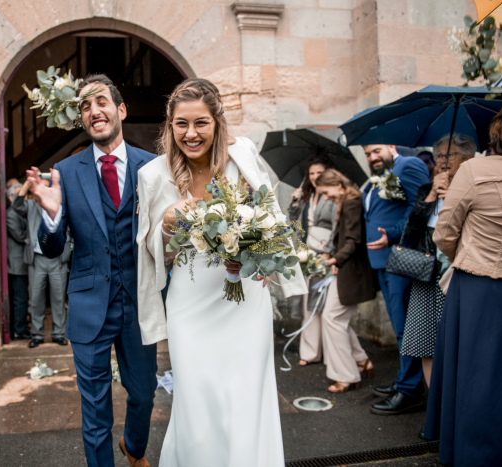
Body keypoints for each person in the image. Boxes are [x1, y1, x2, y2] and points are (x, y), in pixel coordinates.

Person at [137, 78, 307, 466]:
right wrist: (166, 222)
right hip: (190, 301)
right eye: (181, 124)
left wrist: (252, 252)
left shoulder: (242, 156)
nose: (191, 134)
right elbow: (153, 256)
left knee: (245, 394)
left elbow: (270, 220)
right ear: (169, 125)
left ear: (217, 123)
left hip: (244, 297)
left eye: (201, 123)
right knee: (196, 396)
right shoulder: (152, 175)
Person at [27, 74, 158, 467]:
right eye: (84, 106)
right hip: (88, 305)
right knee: (96, 408)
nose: (93, 111)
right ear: (81, 119)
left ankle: (133, 449)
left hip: (139, 303)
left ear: (120, 110)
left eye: (100, 102)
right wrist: (51, 218)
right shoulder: (65, 171)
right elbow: (52, 249)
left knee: (144, 393)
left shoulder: (152, 167)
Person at [423, 114, 502, 466]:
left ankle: (473, 453)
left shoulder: (474, 171)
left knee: (475, 371)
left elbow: (443, 233)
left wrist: (464, 255)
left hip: (477, 284)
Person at [401, 134, 475, 391]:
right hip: (426, 273)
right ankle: (435, 410)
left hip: (457, 274)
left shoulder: (472, 188)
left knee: (457, 344)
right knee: (425, 342)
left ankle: (454, 408)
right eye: (439, 156)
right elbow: (410, 231)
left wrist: (452, 196)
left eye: (449, 154)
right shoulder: (426, 189)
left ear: (467, 158)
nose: (443, 161)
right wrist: (432, 194)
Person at [362, 144, 430, 415]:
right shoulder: (384, 174)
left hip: (401, 257)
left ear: (391, 146)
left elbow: (421, 205)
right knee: (399, 326)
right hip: (383, 260)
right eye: (367, 154)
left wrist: (391, 233)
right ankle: (404, 380)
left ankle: (410, 391)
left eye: (376, 150)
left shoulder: (408, 165)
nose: (372, 157)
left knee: (406, 327)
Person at [314, 169, 375, 392]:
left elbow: (353, 241)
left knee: (332, 317)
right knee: (335, 318)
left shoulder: (350, 202)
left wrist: (334, 261)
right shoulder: (348, 199)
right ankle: (360, 360)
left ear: (338, 184)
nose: (326, 198)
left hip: (351, 270)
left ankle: (347, 375)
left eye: (326, 192)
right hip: (345, 268)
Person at [287, 157, 337, 365]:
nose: (315, 177)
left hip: (326, 253)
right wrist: (294, 204)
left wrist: (329, 254)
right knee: (308, 303)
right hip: (307, 252)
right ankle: (309, 352)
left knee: (325, 304)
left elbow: (336, 226)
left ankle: (328, 352)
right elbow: (292, 224)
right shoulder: (307, 197)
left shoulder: (332, 197)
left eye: (319, 172)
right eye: (312, 173)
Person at [13, 178, 71, 348]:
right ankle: (37, 335)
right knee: (36, 298)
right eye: (40, 188)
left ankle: (58, 333)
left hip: (58, 258)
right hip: (37, 259)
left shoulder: (61, 206)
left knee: (58, 298)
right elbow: (16, 206)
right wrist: (27, 184)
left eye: (47, 188)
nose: (43, 192)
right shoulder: (31, 206)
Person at [6, 183, 30, 340]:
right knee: (20, 299)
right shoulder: (11, 215)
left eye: (25, 195)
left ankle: (20, 327)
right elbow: (21, 236)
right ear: (10, 197)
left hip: (22, 262)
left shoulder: (19, 213)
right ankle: (18, 330)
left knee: (22, 298)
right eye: (19, 195)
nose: (24, 198)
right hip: (17, 264)